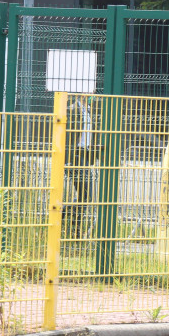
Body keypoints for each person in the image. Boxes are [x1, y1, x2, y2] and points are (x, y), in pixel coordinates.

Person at [65, 95, 96, 239]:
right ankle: (73, 226)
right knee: (86, 195)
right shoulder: (71, 110)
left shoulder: (88, 110)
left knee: (85, 196)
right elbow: (67, 137)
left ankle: (74, 227)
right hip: (76, 156)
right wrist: (68, 160)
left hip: (85, 155)